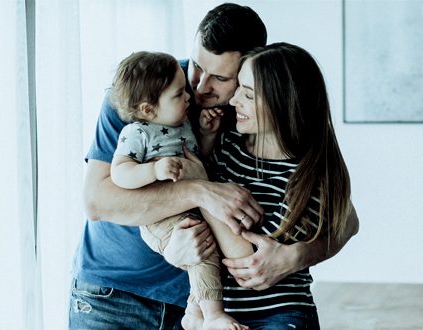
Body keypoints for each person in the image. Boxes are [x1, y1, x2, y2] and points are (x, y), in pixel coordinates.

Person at [70, 3, 359, 329]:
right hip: (116, 293)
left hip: (201, 306)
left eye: (221, 78)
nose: (199, 86)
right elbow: (97, 202)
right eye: (196, 65)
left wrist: (298, 255)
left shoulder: (252, 111)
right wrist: (200, 192)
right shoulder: (143, 92)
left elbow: (344, 217)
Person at [185, 42, 354, 329]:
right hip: (221, 315)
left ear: (283, 103)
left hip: (279, 315)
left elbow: (248, 262)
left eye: (248, 95)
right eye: (238, 88)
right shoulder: (227, 146)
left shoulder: (308, 175)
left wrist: (201, 190)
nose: (234, 100)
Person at [108, 50, 247, 330]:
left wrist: (206, 135)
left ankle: (195, 311)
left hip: (187, 209)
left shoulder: (181, 123)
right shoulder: (137, 133)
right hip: (159, 219)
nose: (189, 97)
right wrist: (153, 170)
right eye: (179, 93)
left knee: (209, 248)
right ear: (148, 109)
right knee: (204, 249)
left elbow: (197, 162)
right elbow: (119, 172)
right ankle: (212, 315)